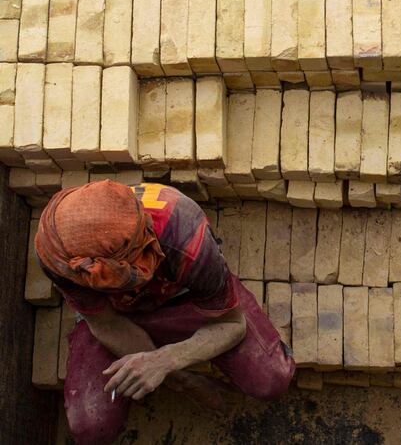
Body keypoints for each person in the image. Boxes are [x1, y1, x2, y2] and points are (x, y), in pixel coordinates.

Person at [35, 180, 295, 445]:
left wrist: (164, 360)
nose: (143, 266)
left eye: (143, 262)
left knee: (271, 378)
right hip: (119, 317)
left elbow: (232, 324)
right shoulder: (58, 253)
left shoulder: (184, 232)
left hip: (183, 301)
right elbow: (106, 324)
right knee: (89, 428)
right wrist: (182, 380)